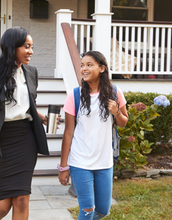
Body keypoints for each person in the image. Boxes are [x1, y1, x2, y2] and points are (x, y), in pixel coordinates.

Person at [0, 27, 49, 220]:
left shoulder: (31, 72)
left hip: (25, 139)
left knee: (22, 199)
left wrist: (40, 116)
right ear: (11, 47)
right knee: (2, 205)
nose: (31, 51)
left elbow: (27, 103)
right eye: (26, 46)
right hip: (0, 141)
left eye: (31, 47)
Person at [58, 51, 128, 220]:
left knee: (103, 211)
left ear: (102, 68)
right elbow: (68, 133)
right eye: (82, 65)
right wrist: (63, 166)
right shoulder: (74, 96)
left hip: (104, 161)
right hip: (80, 161)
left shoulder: (115, 92)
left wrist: (116, 112)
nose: (84, 69)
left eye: (89, 65)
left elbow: (124, 122)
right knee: (87, 209)